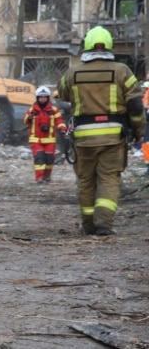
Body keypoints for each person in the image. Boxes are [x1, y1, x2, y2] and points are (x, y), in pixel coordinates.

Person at [58, 26, 145, 236]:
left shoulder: (72, 72)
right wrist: (138, 130)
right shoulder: (122, 71)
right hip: (113, 136)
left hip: (83, 138)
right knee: (108, 178)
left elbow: (62, 94)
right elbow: (135, 105)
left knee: (86, 180)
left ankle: (88, 225)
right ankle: (104, 224)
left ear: (86, 45)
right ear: (109, 45)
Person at [24, 86, 66, 184]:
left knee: (50, 158)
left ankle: (47, 175)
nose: (43, 99)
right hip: (36, 139)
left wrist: (63, 129)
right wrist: (30, 118)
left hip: (50, 139)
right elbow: (25, 121)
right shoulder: (32, 110)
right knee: (39, 158)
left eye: (45, 97)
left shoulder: (54, 110)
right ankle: (39, 177)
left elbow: (59, 121)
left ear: (48, 98)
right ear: (37, 98)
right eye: (41, 97)